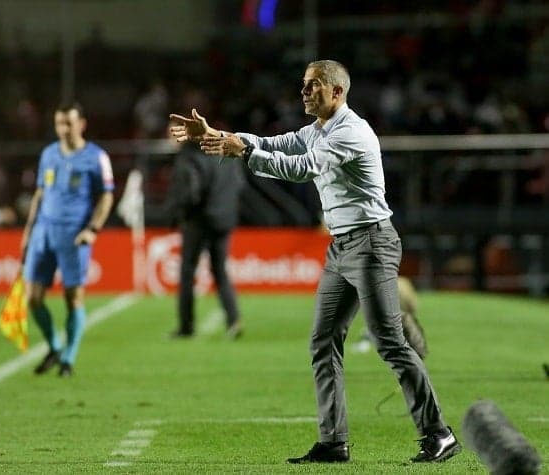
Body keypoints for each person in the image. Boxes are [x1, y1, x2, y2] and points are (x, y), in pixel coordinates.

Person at [169, 60, 461, 464]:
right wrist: (219, 135)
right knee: (323, 342)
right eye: (304, 85)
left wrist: (245, 151)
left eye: (313, 86)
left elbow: (302, 168)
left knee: (390, 342)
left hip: (371, 243)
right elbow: (280, 143)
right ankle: (333, 442)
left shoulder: (351, 132)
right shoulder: (319, 129)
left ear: (337, 92)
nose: (303, 92)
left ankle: (439, 434)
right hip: (343, 247)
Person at [21, 102, 114, 377]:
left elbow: (106, 196)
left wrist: (92, 229)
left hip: (74, 235)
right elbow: (39, 193)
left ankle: (69, 360)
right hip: (43, 232)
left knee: (73, 297)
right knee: (33, 297)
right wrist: (28, 232)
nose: (63, 129)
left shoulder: (96, 157)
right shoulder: (48, 154)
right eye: (59, 123)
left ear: (81, 124)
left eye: (69, 123)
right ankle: (54, 346)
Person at [166, 135, 244, 339]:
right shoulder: (225, 154)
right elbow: (239, 184)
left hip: (198, 221)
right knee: (220, 271)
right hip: (224, 219)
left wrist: (180, 214)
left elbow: (190, 192)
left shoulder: (189, 157)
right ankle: (234, 319)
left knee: (187, 272)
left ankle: (186, 326)